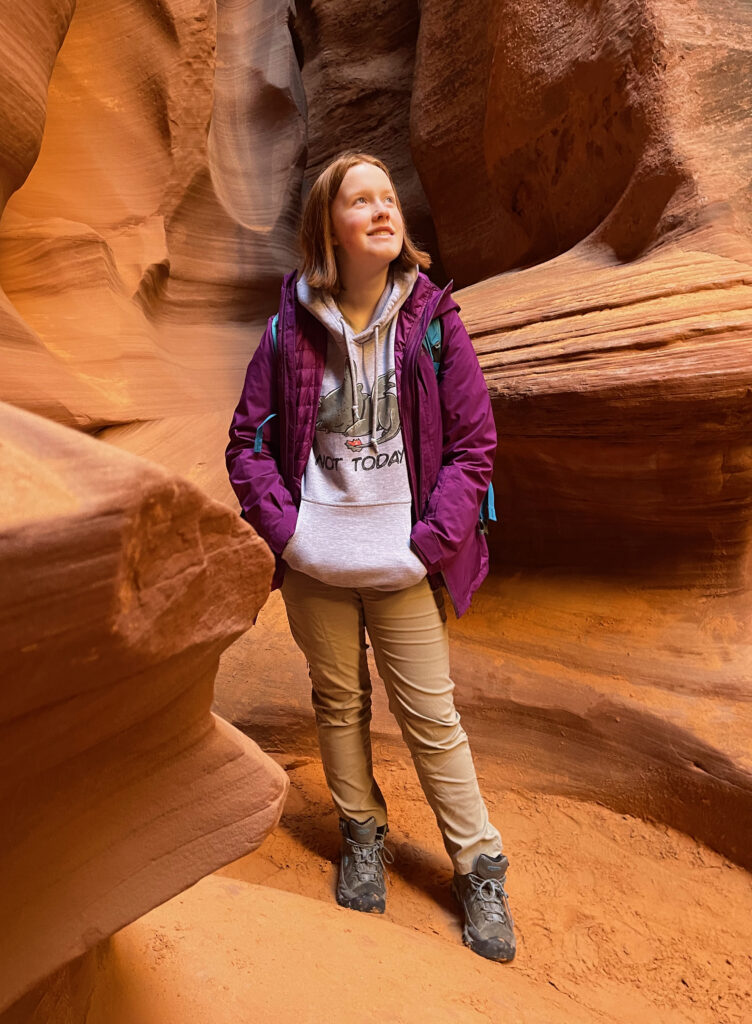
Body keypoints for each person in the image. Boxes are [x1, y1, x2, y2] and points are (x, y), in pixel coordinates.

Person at [225, 152, 516, 963]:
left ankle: (478, 865)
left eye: (389, 198)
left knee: (432, 718)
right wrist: (290, 535)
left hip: (403, 564)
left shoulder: (433, 321)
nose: (384, 210)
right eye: (363, 201)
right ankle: (362, 833)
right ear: (331, 226)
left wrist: (427, 546)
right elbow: (247, 442)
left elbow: (474, 445)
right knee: (338, 702)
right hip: (318, 562)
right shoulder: (289, 329)